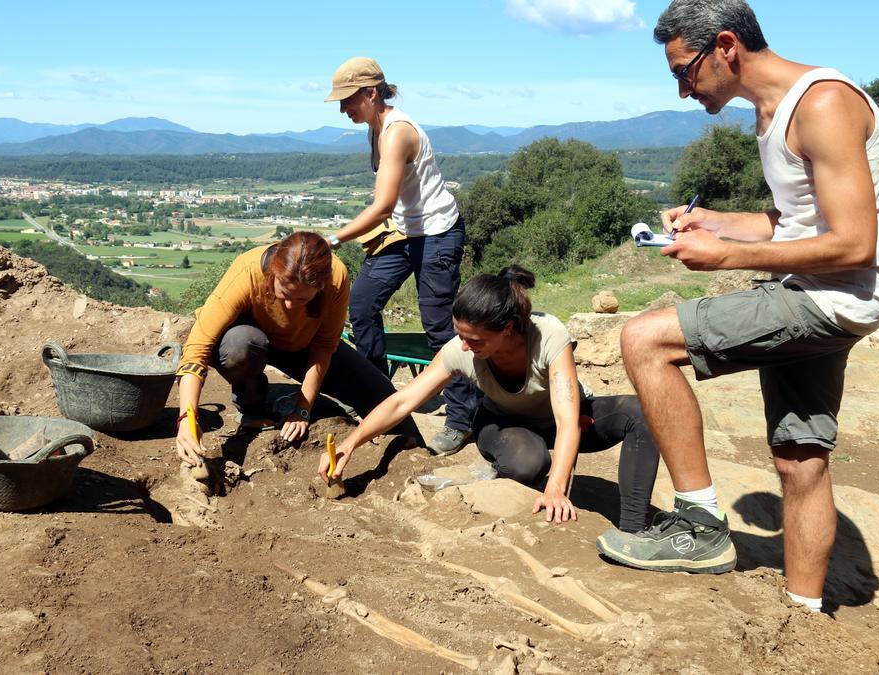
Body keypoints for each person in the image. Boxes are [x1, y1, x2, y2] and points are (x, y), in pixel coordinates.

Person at [597, 0, 879, 613]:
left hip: (829, 298)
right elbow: (796, 223)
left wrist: (725, 258)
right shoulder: (775, 112)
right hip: (821, 294)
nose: (682, 91)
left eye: (685, 71)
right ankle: (804, 612)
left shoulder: (822, 104)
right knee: (799, 460)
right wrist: (717, 223)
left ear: (726, 46)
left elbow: (856, 243)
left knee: (644, 340)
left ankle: (701, 528)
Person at [320, 266, 661, 533]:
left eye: (475, 339)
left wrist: (556, 489)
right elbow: (402, 401)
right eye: (460, 335)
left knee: (640, 412)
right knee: (528, 463)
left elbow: (568, 420)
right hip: (504, 423)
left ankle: (633, 528)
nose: (465, 346)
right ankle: (504, 467)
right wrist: (352, 443)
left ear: (509, 328)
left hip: (564, 418)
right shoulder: (461, 350)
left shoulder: (549, 335)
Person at [322, 56, 477, 457]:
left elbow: (383, 205)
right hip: (406, 233)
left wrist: (333, 240)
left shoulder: (396, 133)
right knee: (361, 302)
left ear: (372, 93)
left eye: (349, 100)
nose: (343, 109)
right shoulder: (374, 129)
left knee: (440, 327)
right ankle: (374, 394)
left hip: (439, 233)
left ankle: (462, 419)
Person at [173, 232, 422, 465]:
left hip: (302, 344)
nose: (291, 306)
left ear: (320, 286)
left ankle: (418, 456)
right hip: (249, 341)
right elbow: (197, 348)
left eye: (302, 299)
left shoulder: (335, 277)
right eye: (284, 294)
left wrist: (302, 409)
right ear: (273, 274)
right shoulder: (248, 270)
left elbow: (324, 348)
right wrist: (187, 418)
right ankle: (252, 405)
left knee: (381, 393)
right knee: (242, 344)